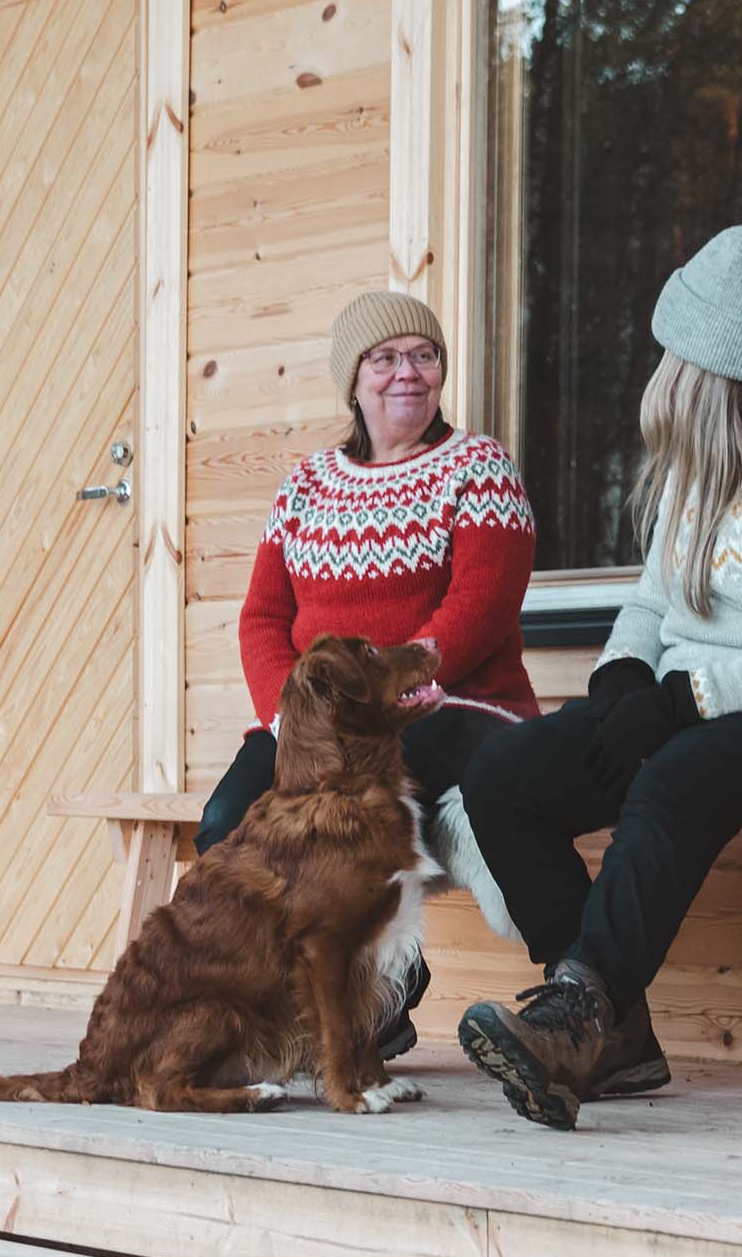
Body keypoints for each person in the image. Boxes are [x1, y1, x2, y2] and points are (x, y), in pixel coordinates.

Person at [454, 225, 742, 1129]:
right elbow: (654, 606)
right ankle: (609, 1033)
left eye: (673, 352)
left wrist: (682, 700)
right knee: (504, 775)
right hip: (697, 704)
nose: (659, 370)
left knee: (676, 772)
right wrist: (623, 679)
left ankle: (583, 1003)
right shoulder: (702, 466)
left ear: (709, 363)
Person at [202, 290, 540, 1056]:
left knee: (351, 817)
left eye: (423, 356)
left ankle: (386, 990)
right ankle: (281, 1013)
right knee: (227, 825)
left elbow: (478, 609)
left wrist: (392, 701)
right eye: (384, 359)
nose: (406, 374)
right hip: (317, 723)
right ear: (352, 380)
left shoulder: (479, 467)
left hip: (448, 706)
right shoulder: (306, 487)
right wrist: (291, 722)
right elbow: (261, 617)